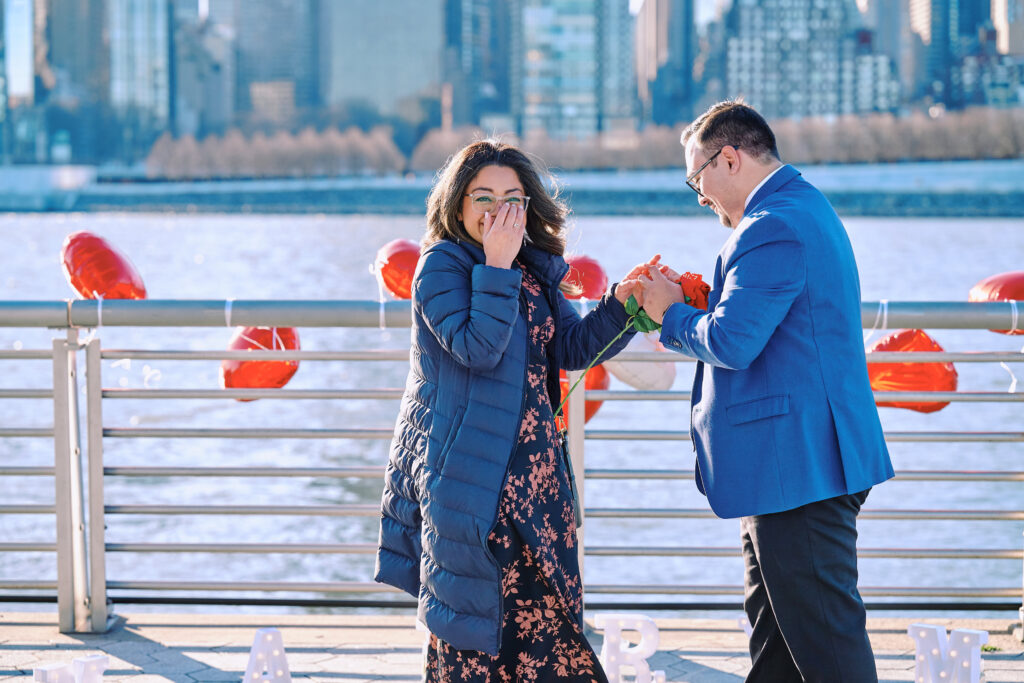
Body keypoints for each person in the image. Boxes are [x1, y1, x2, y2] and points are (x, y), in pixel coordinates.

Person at [638, 100, 895, 682]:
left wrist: (669, 315)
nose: (698, 195)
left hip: (797, 470)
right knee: (777, 646)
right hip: (793, 466)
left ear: (728, 159)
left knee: (828, 650)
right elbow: (761, 323)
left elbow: (733, 341)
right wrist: (698, 303)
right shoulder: (797, 209)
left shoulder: (771, 225)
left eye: (695, 177)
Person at [375, 139, 648, 682]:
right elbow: (478, 347)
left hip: (539, 485)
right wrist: (496, 265)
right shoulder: (440, 269)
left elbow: (570, 348)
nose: (500, 210)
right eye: (484, 197)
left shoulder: (532, 268)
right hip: (477, 486)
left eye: (513, 198)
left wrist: (627, 303)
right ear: (456, 205)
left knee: (551, 638)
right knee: (478, 643)